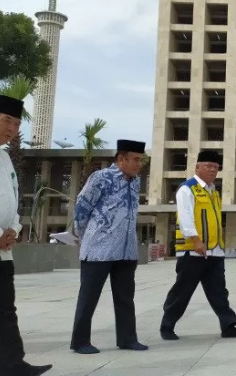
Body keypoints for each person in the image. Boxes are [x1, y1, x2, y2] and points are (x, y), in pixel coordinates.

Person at [160, 150, 236, 340]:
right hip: (193, 251)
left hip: (214, 251)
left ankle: (228, 326)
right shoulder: (187, 189)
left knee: (219, 292)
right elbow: (185, 218)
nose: (212, 170)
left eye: (216, 167)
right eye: (208, 166)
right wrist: (196, 241)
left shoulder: (213, 192)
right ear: (197, 167)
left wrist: (218, 247)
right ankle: (167, 326)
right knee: (182, 291)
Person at [70, 140, 149, 354]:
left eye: (140, 160)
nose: (138, 164)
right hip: (99, 249)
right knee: (89, 297)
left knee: (125, 297)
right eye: (135, 159)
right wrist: (87, 237)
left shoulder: (135, 182)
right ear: (121, 159)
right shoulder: (100, 178)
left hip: (127, 250)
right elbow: (82, 208)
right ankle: (80, 341)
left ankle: (127, 339)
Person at [0, 96, 53, 376]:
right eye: (7, 120)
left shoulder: (5, 157)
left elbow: (13, 199)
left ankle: (13, 365)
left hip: (3, 250)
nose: (12, 128)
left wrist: (13, 230)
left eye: (17, 124)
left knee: (6, 311)